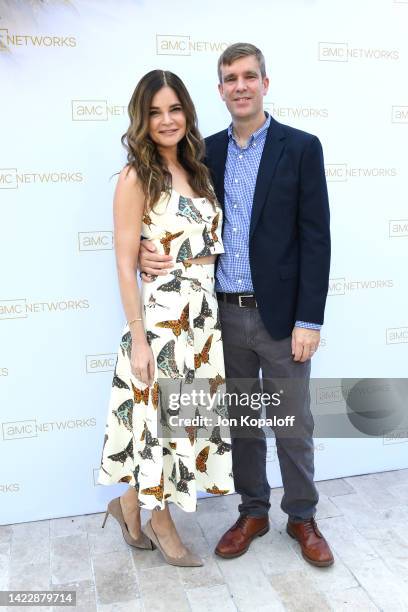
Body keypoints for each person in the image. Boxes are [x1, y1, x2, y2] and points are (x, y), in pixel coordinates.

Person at [139, 43, 334, 567]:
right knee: (243, 425)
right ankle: (252, 511)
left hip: (282, 320)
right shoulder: (207, 151)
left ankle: (301, 516)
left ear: (265, 84)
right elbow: (167, 204)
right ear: (221, 89)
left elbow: (316, 238)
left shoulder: (301, 147)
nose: (240, 86)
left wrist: (308, 320)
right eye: (230, 78)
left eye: (250, 76)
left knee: (294, 421)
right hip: (220, 315)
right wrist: (142, 246)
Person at [97, 69, 234, 567]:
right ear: (142, 118)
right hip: (162, 320)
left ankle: (129, 504)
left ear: (187, 113)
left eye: (174, 108)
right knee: (163, 425)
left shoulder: (199, 169)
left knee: (183, 425)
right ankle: (160, 520)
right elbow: (122, 259)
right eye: (155, 111)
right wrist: (138, 339)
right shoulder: (137, 175)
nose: (166, 119)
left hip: (203, 318)